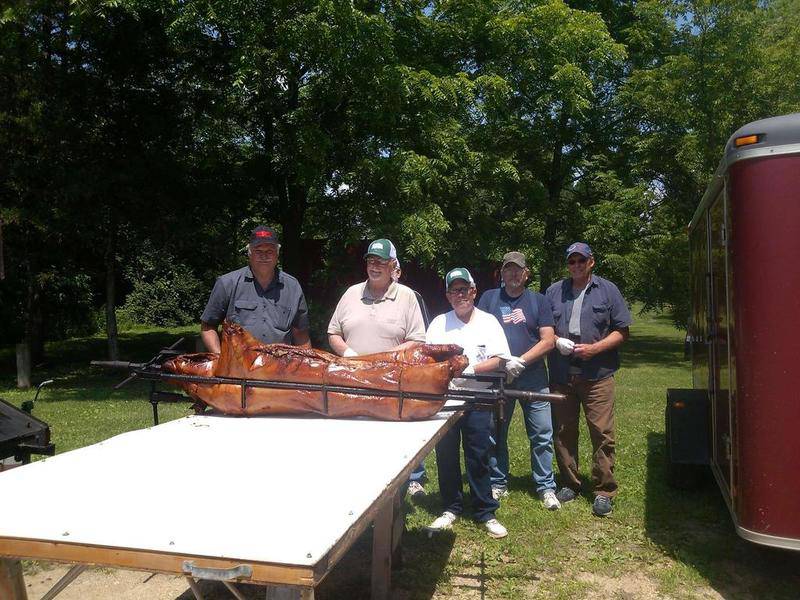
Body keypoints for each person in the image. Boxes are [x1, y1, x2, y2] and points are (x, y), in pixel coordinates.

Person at [545, 242, 631, 517]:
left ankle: (604, 490)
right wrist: (556, 341)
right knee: (563, 431)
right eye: (572, 261)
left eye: (581, 261)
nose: (576, 266)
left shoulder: (608, 290)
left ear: (591, 262)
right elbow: (544, 328)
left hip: (597, 376)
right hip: (562, 374)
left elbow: (622, 332)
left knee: (602, 432)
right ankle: (570, 483)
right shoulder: (554, 291)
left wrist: (595, 349)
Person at [425, 268, 510, 539]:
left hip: (478, 396)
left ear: (473, 291)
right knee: (446, 454)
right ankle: (450, 507)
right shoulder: (439, 323)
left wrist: (473, 368)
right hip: (447, 397)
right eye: (454, 290)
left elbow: (499, 359)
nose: (459, 295)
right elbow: (430, 361)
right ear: (448, 295)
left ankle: (485, 510)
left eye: (464, 289)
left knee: (479, 453)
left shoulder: (488, 322)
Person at [477, 251, 559, 510]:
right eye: (508, 269)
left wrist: (521, 361)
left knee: (542, 433)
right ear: (501, 273)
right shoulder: (489, 299)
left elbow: (548, 340)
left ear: (526, 273)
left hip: (533, 378)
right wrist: (501, 362)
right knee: (495, 432)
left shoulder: (538, 301)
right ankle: (498, 482)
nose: (512, 274)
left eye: (518, 269)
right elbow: (477, 333)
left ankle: (546, 486)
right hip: (499, 379)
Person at [200, 225, 311, 352]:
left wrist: (305, 366)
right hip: (238, 367)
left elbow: (301, 333)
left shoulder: (293, 287)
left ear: (277, 255)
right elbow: (208, 326)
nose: (264, 256)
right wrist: (220, 358)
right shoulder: (227, 283)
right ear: (250, 253)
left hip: (279, 367)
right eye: (258, 251)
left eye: (269, 251)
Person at [328, 238, 426, 357]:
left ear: (393, 264)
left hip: (390, 372)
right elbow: (334, 334)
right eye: (371, 260)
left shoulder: (407, 296)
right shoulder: (351, 293)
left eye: (381, 261)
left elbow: (417, 341)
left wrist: (381, 358)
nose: (375, 266)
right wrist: (348, 354)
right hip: (351, 371)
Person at [392, 259, 433, 498]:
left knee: (408, 420)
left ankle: (415, 476)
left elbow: (422, 332)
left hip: (407, 367)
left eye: (396, 270)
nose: (394, 274)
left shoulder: (412, 296)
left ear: (398, 272)